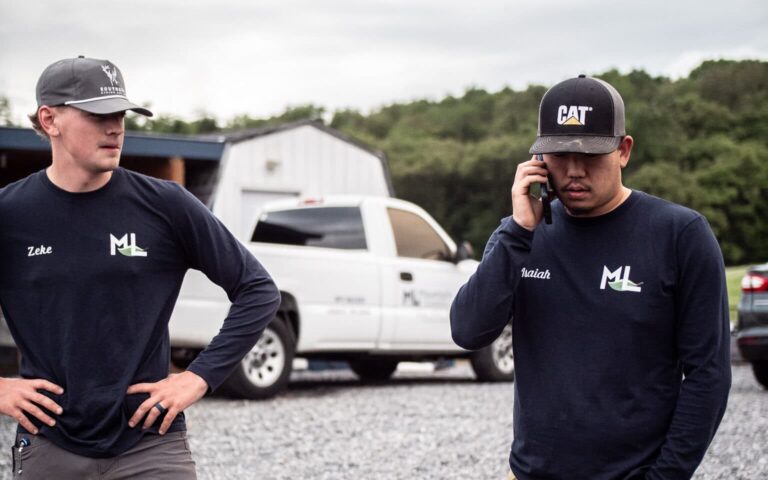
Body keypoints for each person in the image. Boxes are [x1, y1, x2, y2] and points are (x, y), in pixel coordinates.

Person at [0, 56, 281, 478]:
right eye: (98, 115)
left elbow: (258, 290)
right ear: (49, 119)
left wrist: (198, 377)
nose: (115, 128)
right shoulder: (10, 214)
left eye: (120, 115)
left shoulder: (165, 205)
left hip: (151, 440)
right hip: (50, 442)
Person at [450, 75, 731, 480]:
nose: (574, 170)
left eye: (591, 154)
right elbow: (467, 331)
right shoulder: (520, 235)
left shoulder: (680, 235)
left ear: (623, 150)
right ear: (538, 158)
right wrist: (518, 230)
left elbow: (709, 374)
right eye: (560, 155)